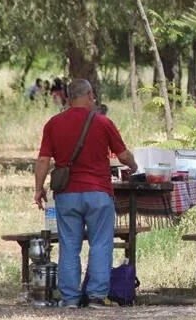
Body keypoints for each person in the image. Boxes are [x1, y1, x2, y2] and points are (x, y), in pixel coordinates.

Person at [33, 79, 138, 309]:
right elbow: (123, 155)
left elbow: (43, 160)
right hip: (98, 194)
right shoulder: (103, 123)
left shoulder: (54, 123)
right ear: (90, 95)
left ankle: (70, 298)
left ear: (69, 97)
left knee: (69, 245)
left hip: (67, 195)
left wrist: (38, 189)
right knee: (101, 243)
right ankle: (96, 297)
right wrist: (135, 166)